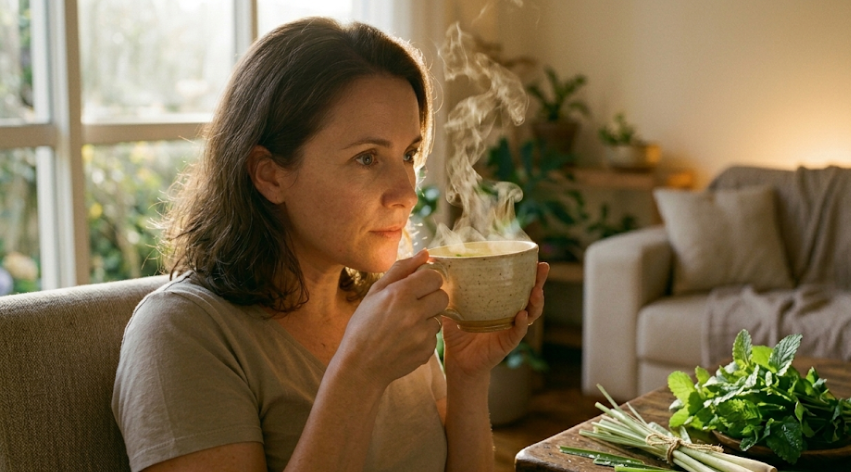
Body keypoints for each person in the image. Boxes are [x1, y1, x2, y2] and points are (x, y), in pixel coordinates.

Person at [112, 16, 550, 472]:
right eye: (367, 158)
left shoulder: (384, 308)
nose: (407, 193)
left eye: (408, 155)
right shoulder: (182, 332)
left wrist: (466, 374)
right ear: (270, 175)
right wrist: (358, 373)